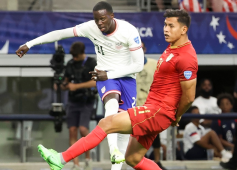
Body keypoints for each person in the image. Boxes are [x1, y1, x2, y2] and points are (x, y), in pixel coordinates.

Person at [36, 9, 200, 170]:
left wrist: (176, 116)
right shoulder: (173, 47)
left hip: (158, 112)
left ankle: (60, 159)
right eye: (165, 25)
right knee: (133, 158)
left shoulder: (186, 56)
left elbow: (189, 96)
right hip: (154, 110)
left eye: (171, 26)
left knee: (106, 123)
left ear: (184, 29)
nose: (166, 29)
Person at [16, 2, 144, 170]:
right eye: (96, 19)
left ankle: (114, 163)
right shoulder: (91, 27)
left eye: (103, 19)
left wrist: (110, 74)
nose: (99, 23)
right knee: (111, 104)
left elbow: (138, 65)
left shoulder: (129, 31)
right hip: (104, 74)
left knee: (124, 126)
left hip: (127, 78)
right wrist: (30, 44)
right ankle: (112, 149)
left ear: (112, 16)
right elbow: (61, 33)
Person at [60, 42, 97, 170]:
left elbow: (95, 83)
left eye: (77, 56)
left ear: (82, 53)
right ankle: (76, 164)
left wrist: (76, 86)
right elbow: (65, 82)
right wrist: (62, 84)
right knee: (72, 130)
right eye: (73, 56)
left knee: (83, 129)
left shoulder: (92, 63)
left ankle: (88, 157)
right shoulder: (70, 64)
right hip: (73, 101)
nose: (75, 58)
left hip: (87, 100)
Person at [136, 42, 166, 170]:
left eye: (141, 48)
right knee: (138, 136)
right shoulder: (128, 66)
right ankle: (139, 161)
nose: (139, 50)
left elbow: (163, 83)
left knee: (155, 135)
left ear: (145, 49)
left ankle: (157, 161)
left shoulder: (154, 64)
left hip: (153, 105)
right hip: (136, 108)